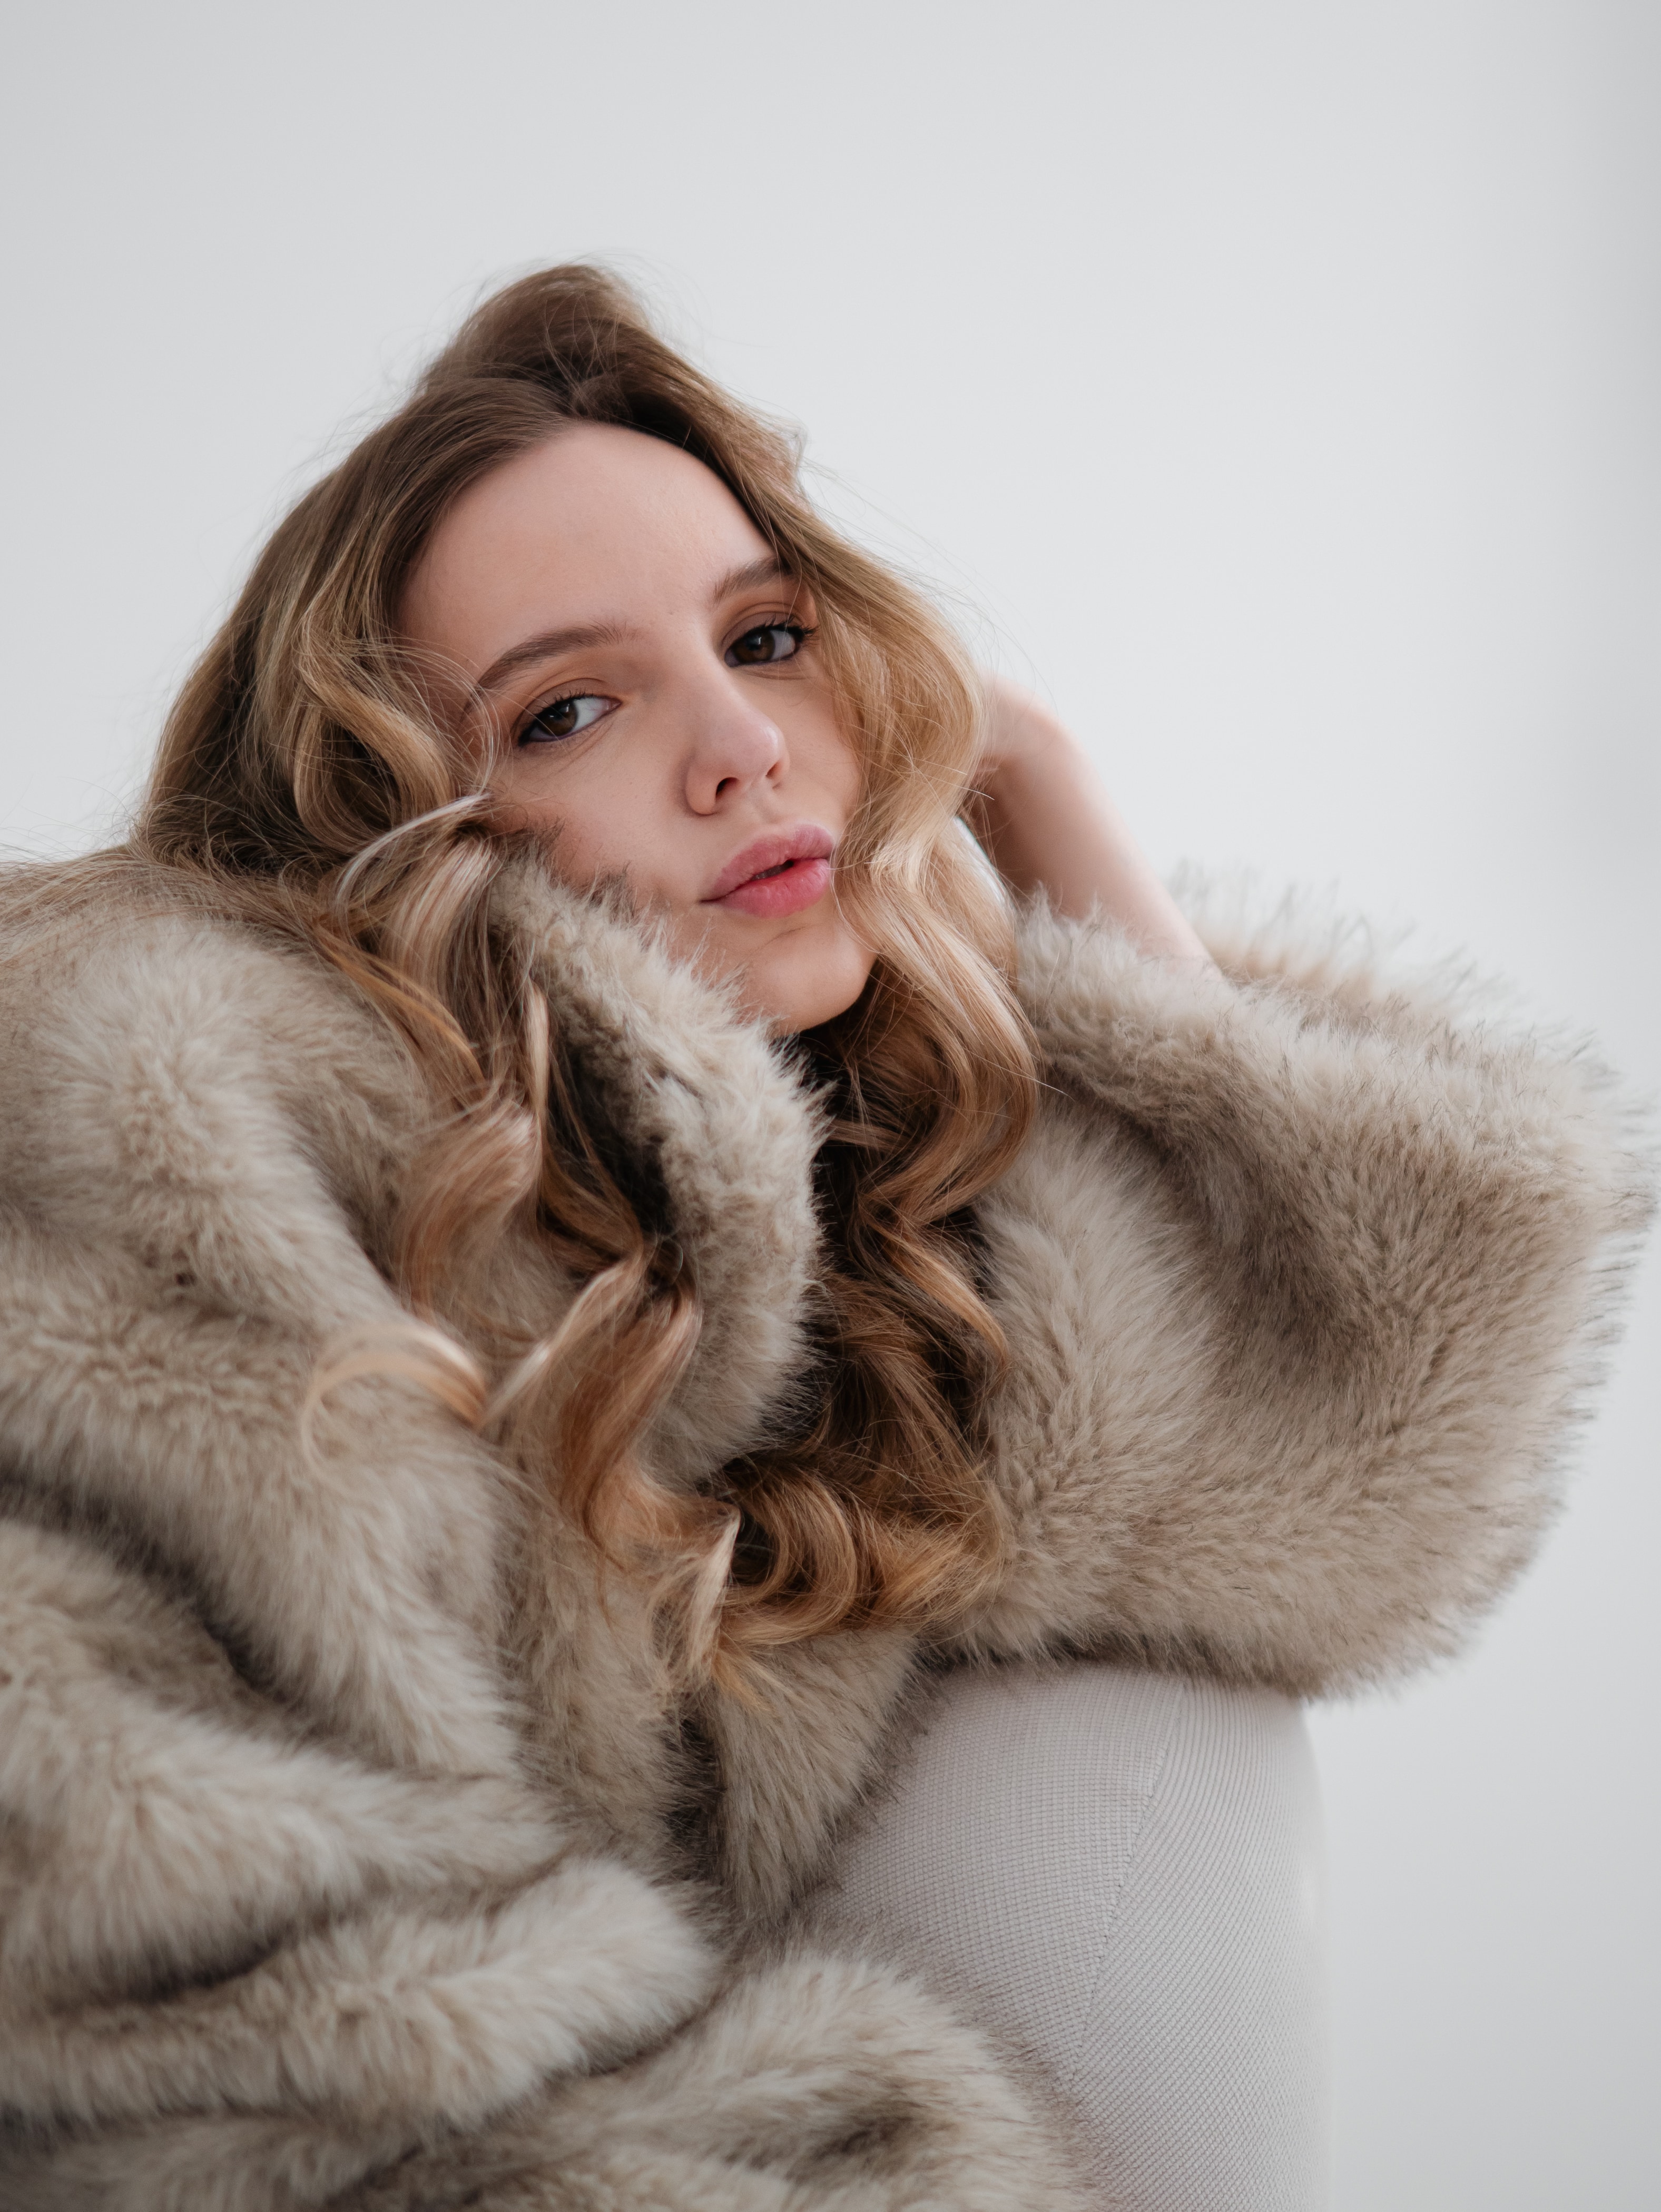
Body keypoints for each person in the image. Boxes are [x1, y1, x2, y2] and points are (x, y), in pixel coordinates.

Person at [0, 264, 1646, 2212]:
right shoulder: (179, 1100)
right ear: (391, 815)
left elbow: (1336, 1455)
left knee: (1143, 1726)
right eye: (574, 707)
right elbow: (193, 2001)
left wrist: (1047, 794)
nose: (743, 751)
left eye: (772, 638)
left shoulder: (791, 1188)